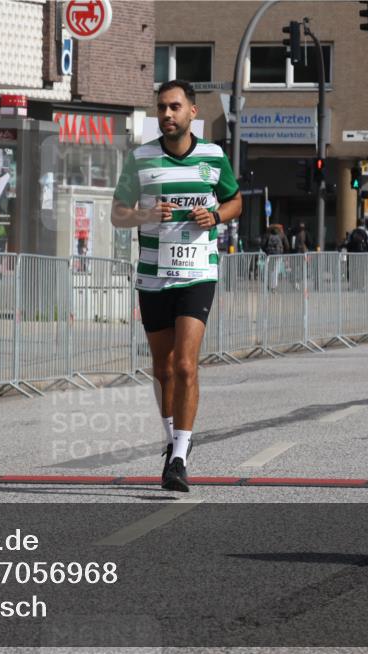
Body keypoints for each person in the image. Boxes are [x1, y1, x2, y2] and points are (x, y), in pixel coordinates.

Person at [111, 80, 243, 492]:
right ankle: (172, 442)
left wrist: (217, 217)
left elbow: (235, 200)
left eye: (174, 107)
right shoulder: (141, 159)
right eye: (161, 109)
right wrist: (145, 215)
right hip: (153, 275)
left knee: (186, 365)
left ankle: (181, 457)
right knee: (163, 369)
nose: (166, 115)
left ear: (192, 112)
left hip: (197, 274)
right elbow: (118, 213)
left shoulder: (213, 156)